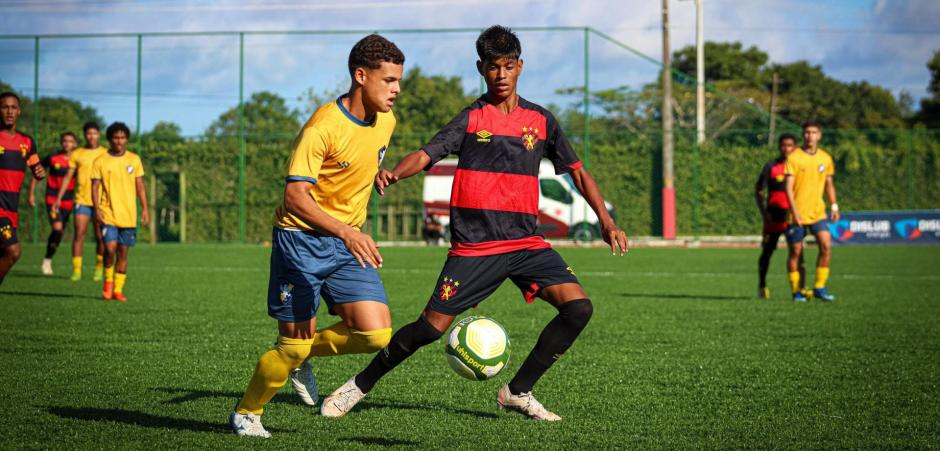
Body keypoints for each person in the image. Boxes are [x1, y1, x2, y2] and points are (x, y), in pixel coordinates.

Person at [319, 25, 628, 422]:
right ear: (481, 68)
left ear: (520, 66)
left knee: (579, 309)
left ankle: (518, 391)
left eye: (509, 66)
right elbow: (427, 153)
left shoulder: (542, 120)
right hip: (475, 248)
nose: (501, 75)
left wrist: (606, 219)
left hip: (526, 244)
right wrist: (396, 173)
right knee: (429, 330)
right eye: (493, 67)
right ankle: (359, 385)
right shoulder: (471, 118)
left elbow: (579, 172)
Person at [229, 34, 405, 438]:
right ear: (361, 76)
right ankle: (247, 413)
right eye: (388, 80)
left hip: (344, 242)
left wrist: (372, 175)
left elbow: (356, 162)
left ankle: (300, 356)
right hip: (301, 241)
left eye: (398, 81)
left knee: (375, 334)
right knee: (290, 346)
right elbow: (294, 196)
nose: (396, 90)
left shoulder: (387, 121)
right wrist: (346, 231)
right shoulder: (322, 127)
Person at [90, 122, 149, 302]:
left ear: (126, 139)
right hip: (108, 213)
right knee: (110, 248)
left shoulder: (134, 159)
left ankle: (118, 290)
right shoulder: (100, 160)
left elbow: (140, 185)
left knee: (123, 252)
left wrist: (145, 208)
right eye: (116, 137)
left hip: (128, 215)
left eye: (123, 137)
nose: (119, 141)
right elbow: (94, 187)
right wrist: (97, 209)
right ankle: (107, 284)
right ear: (109, 139)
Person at [784, 121, 839, 302]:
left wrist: (834, 205)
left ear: (819, 135)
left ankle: (819, 287)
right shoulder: (794, 157)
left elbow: (829, 184)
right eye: (807, 132)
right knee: (796, 253)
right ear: (803, 135)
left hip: (818, 213)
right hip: (796, 214)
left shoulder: (825, 158)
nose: (810, 136)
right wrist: (794, 211)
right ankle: (796, 291)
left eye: (814, 132)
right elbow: (788, 188)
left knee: (825, 246)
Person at [0, 91, 46, 287]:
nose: (9, 111)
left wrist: (39, 172)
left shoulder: (27, 142)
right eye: (4, 107)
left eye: (13, 107)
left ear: (19, 112)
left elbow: (36, 168)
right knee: (14, 251)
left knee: (4, 252)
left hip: (12, 208)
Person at [53, 122, 107, 282]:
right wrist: (59, 198)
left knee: (100, 237)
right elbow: (68, 177)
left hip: (100, 203)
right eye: (89, 133)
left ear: (99, 135)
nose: (92, 136)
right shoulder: (77, 153)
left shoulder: (105, 153)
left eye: (94, 133)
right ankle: (76, 270)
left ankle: (99, 268)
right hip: (81, 200)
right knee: (79, 234)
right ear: (85, 135)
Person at [754, 134, 803, 299]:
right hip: (773, 218)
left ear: (795, 147)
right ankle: (762, 285)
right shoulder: (771, 166)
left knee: (797, 253)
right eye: (783, 145)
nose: (786, 148)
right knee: (767, 253)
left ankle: (798, 289)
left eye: (790, 145)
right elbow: (759, 190)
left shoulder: (800, 166)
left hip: (792, 218)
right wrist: (764, 212)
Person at [29, 131, 78, 275]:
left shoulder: (78, 160)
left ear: (74, 144)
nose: (66, 143)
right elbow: (37, 172)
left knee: (60, 232)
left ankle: (49, 257)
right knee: (57, 228)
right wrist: (31, 193)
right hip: (52, 198)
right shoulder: (53, 158)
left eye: (70, 141)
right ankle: (47, 260)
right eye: (64, 141)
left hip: (68, 201)